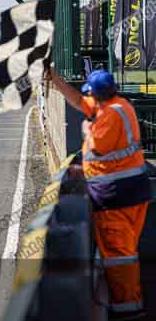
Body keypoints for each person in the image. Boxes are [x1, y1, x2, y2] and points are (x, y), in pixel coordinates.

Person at [48, 66, 151, 319]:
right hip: (132, 191)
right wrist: (55, 78)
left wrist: (86, 131)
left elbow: (98, 146)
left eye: (91, 94)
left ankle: (129, 308)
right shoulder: (117, 104)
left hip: (115, 196)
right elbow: (77, 100)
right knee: (125, 250)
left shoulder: (110, 116)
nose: (89, 99)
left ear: (99, 94)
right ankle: (128, 301)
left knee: (119, 255)